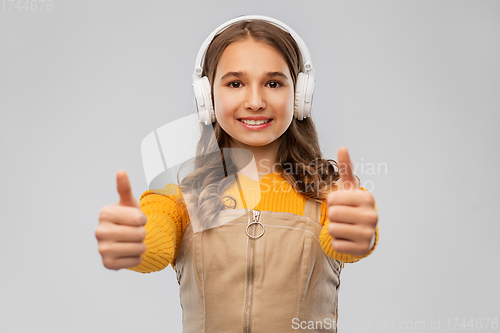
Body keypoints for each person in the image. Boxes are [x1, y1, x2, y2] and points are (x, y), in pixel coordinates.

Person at [95, 15, 379, 333]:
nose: (255, 101)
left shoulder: (332, 198)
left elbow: (348, 242)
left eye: (273, 83)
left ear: (300, 96)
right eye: (235, 83)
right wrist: (135, 242)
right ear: (207, 98)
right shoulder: (179, 201)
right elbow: (153, 241)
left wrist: (357, 232)